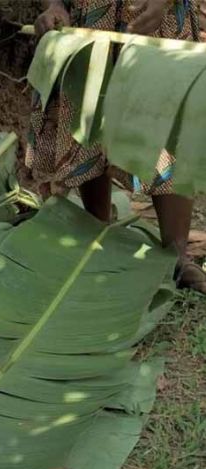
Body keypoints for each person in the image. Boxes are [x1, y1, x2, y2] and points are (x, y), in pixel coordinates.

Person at [28, 0, 206, 292]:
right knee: (89, 115)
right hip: (89, 14)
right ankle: (96, 236)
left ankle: (177, 256)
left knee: (168, 124)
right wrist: (55, 5)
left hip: (158, 13)